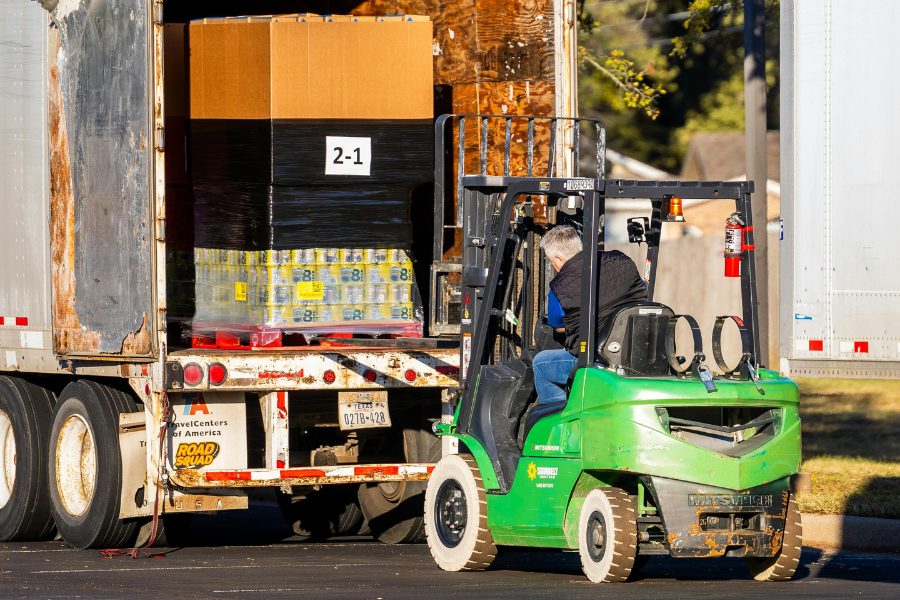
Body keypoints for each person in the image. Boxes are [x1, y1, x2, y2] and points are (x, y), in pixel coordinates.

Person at [532, 225, 647, 405]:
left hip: (599, 358)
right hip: (638, 349)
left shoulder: (558, 288)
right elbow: (641, 291)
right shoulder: (622, 260)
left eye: (551, 261)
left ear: (559, 259)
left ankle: (557, 419)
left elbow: (558, 326)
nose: (553, 267)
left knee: (540, 364)